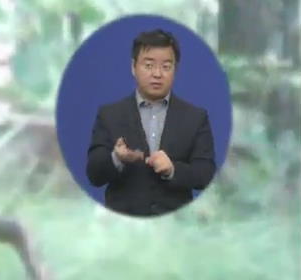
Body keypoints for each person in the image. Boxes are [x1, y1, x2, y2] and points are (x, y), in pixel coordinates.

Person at [86, 28, 217, 216]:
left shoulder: (196, 117)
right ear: (133, 67)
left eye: (166, 66)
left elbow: (205, 174)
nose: (157, 74)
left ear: (175, 69)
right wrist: (117, 158)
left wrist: (173, 169)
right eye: (148, 65)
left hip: (177, 227)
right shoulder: (110, 115)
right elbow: (94, 174)